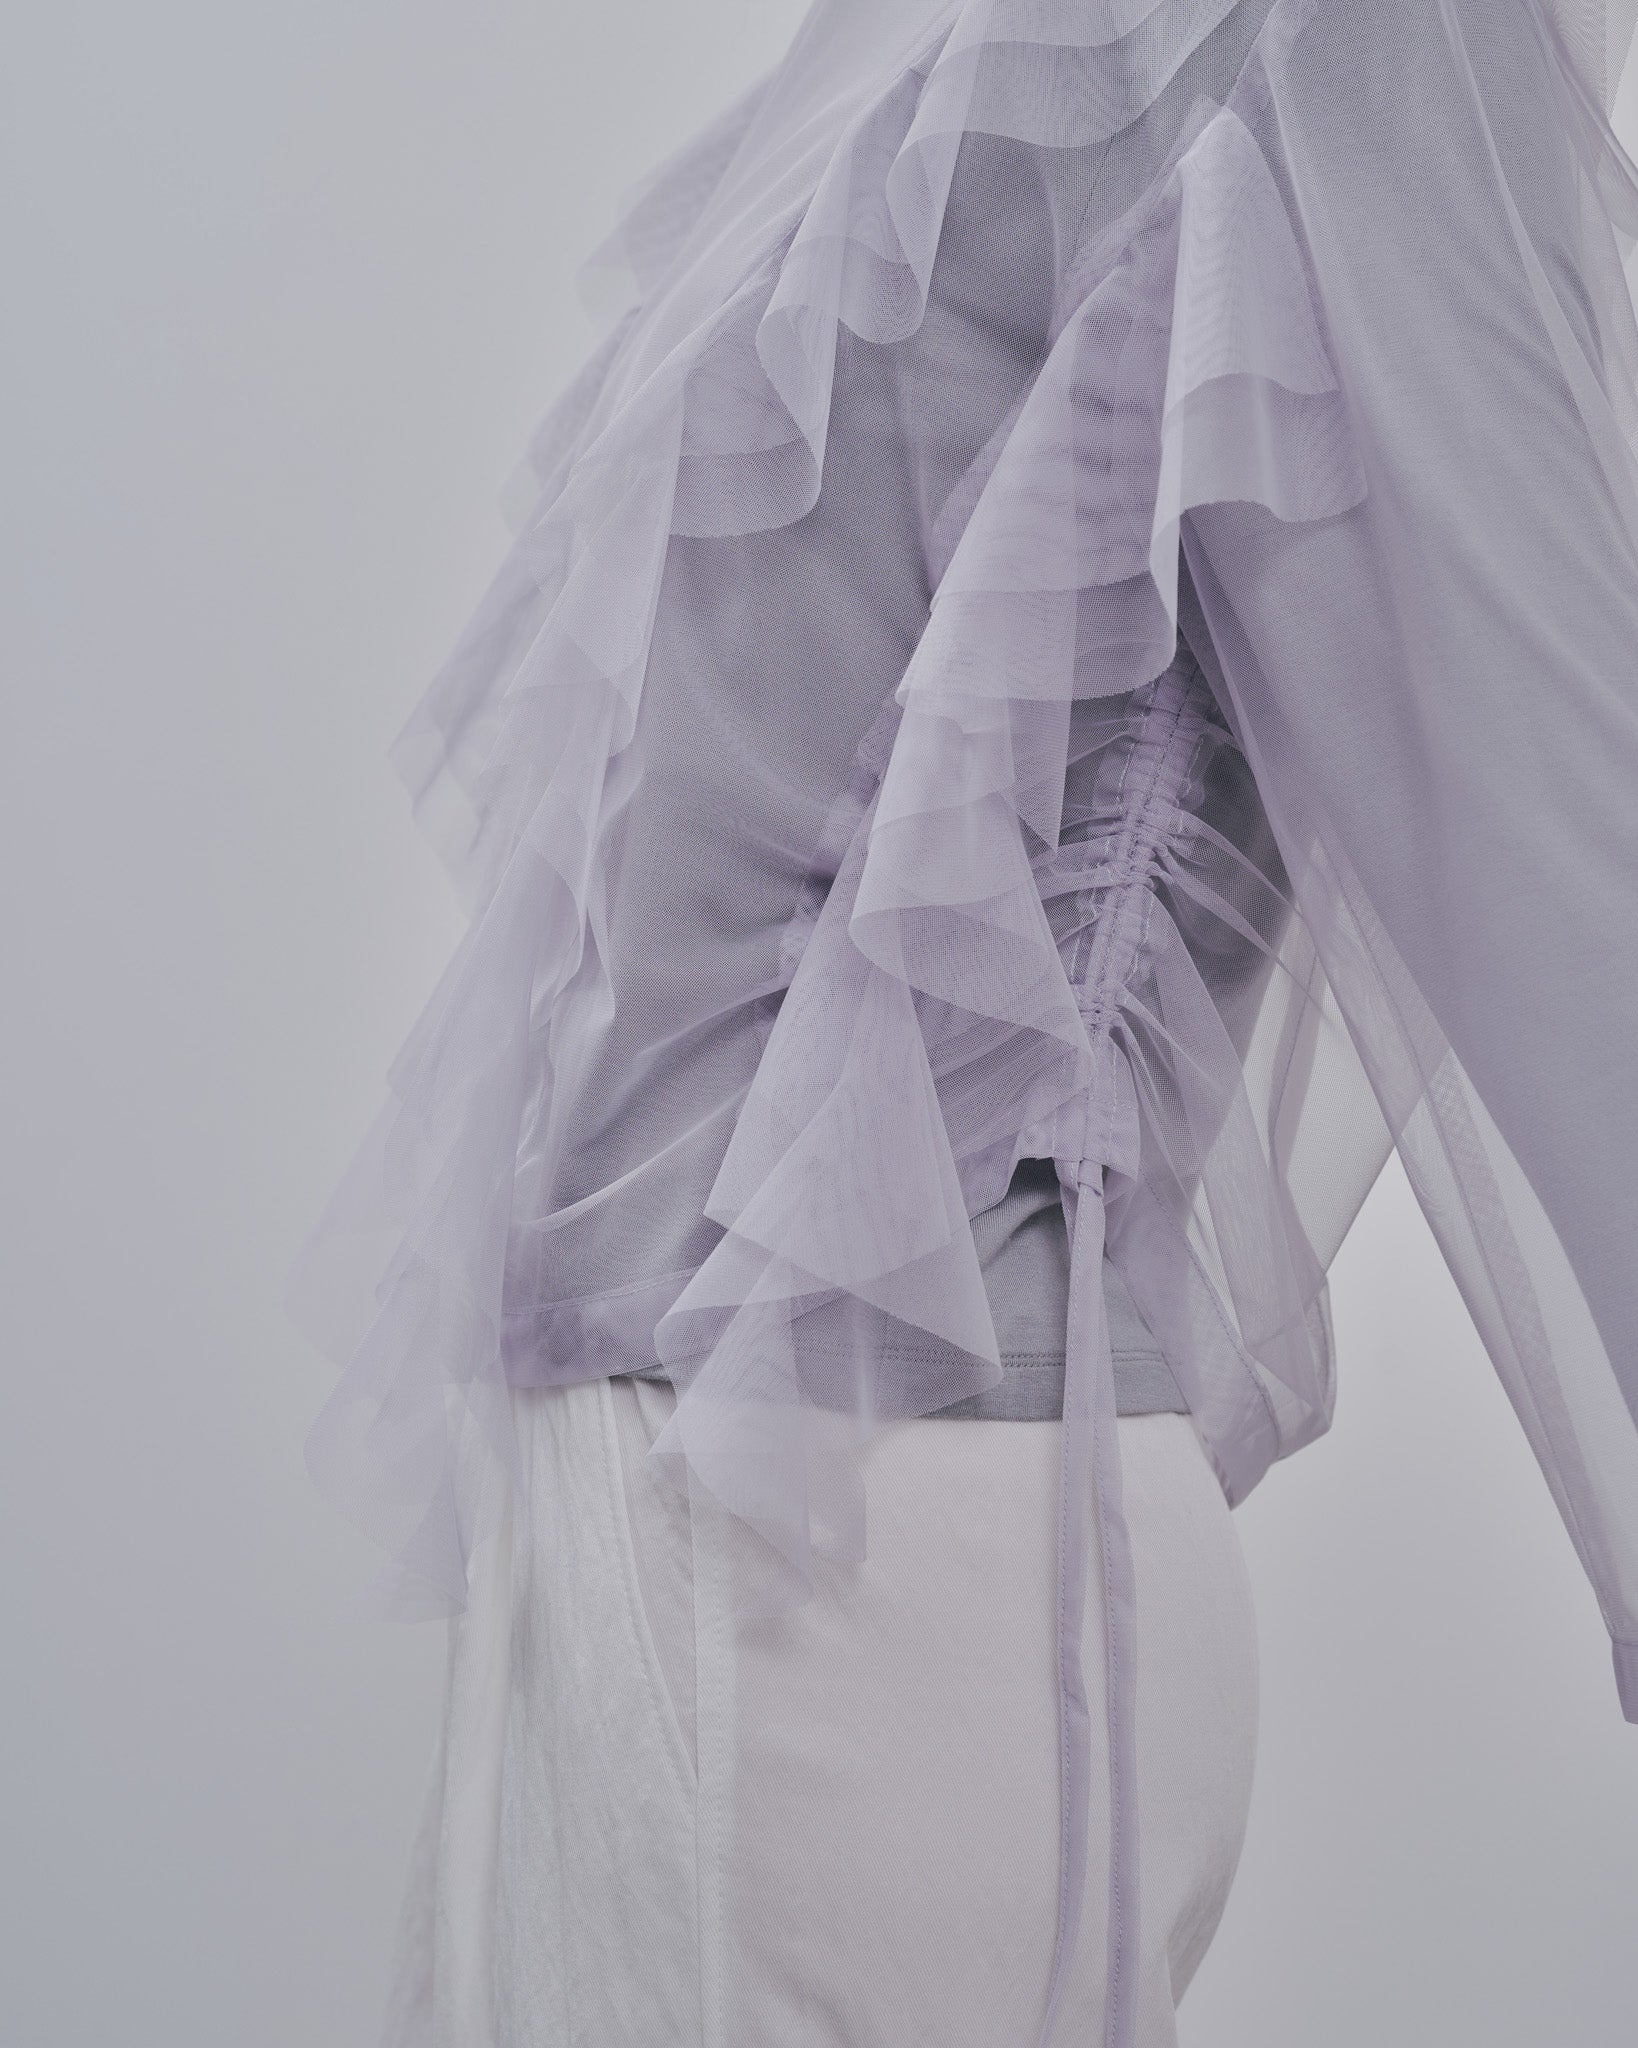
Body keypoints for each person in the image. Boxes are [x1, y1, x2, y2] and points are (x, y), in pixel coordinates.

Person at [290, 2, 1638, 2042]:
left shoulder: (1360, 42)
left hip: (872, 1567)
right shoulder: (983, 49)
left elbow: (1567, 850)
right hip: (715, 1517)